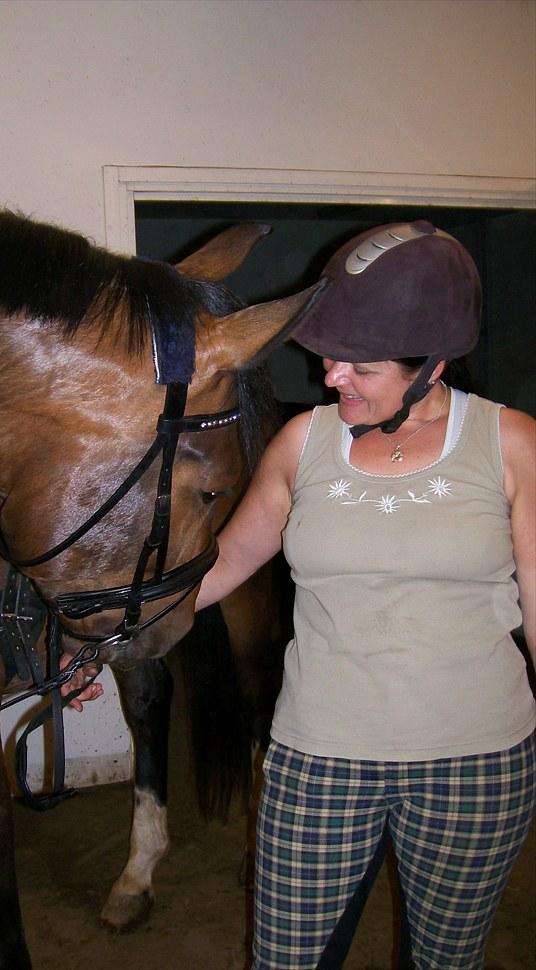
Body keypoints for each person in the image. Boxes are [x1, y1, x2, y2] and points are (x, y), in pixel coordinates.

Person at [196, 221, 536, 970]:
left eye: (361, 367)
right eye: (329, 359)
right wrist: (101, 635)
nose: (331, 378)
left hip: (474, 762)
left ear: (434, 363)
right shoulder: (302, 443)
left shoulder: (510, 444)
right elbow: (217, 569)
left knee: (447, 961)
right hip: (321, 756)